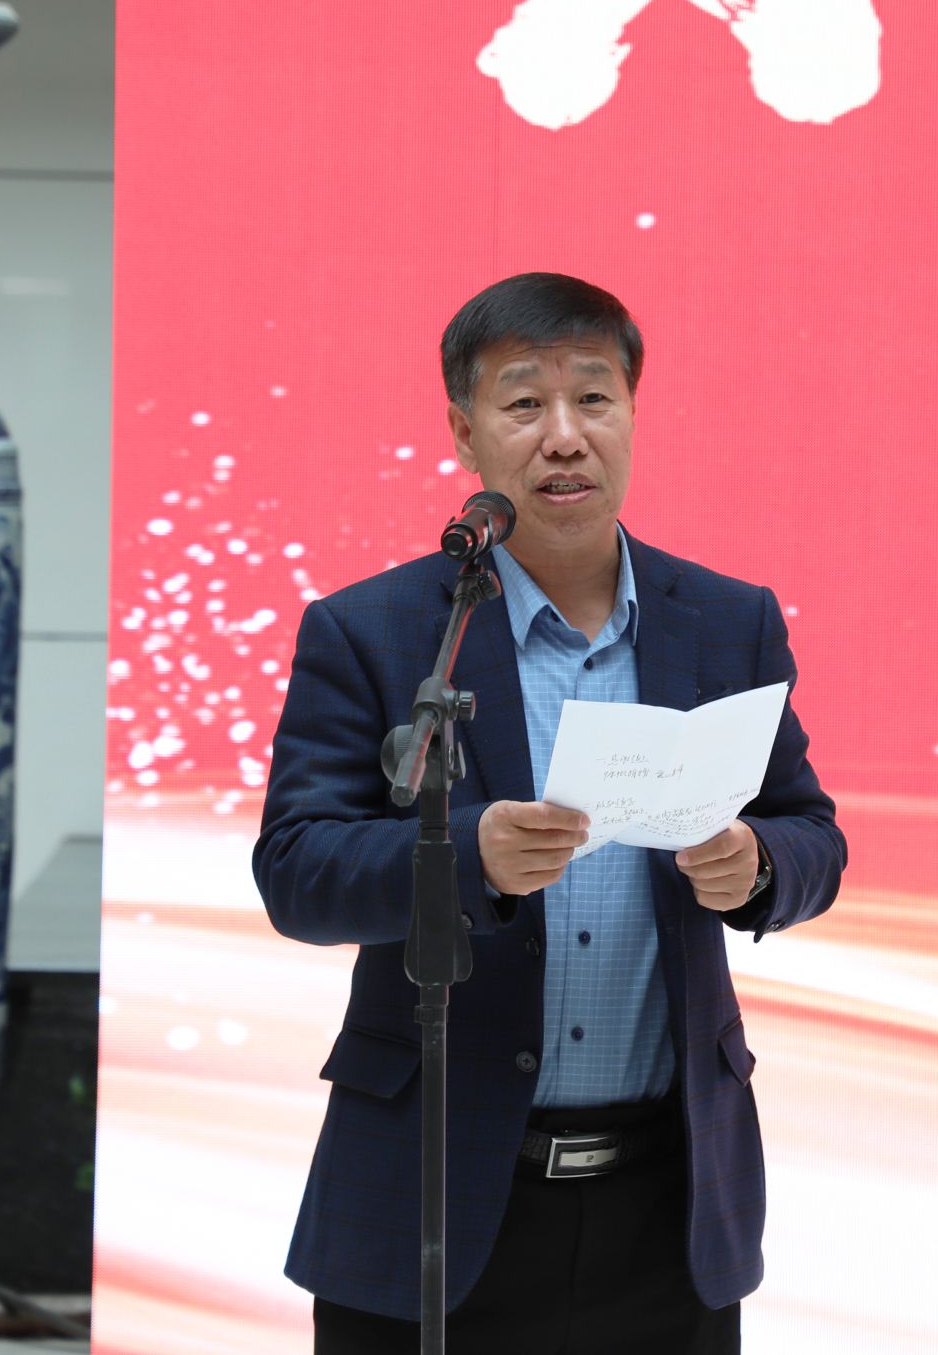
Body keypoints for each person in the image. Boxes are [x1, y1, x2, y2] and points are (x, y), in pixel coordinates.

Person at [253, 272, 846, 1353]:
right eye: (524, 402)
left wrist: (757, 864)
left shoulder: (727, 623)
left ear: (632, 415)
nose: (564, 436)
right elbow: (297, 872)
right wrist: (464, 857)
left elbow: (813, 834)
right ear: (464, 432)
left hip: (667, 1206)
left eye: (594, 399)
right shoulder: (377, 632)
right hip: (429, 1197)